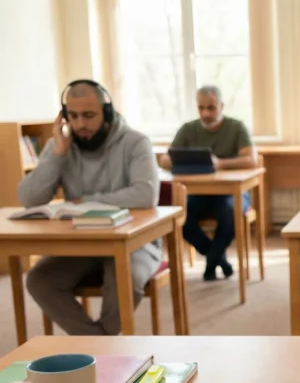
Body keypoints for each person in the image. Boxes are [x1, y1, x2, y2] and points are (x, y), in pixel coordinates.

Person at [19, 80, 160, 336]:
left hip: (134, 243)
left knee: (124, 280)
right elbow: (29, 198)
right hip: (81, 242)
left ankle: (99, 346)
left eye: (88, 115)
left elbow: (145, 194)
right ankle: (99, 342)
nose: (80, 124)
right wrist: (57, 154)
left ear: (107, 113)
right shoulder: (60, 145)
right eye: (73, 116)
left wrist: (85, 201)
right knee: (39, 280)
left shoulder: (136, 142)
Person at [158, 86, 258, 281]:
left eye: (211, 108)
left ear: (221, 106)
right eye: (201, 108)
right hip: (198, 194)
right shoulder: (188, 129)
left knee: (230, 212)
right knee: (178, 216)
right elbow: (164, 160)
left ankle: (212, 261)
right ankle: (218, 259)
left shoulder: (236, 127)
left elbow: (251, 160)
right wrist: (180, 160)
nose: (206, 113)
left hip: (231, 192)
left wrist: (219, 163)